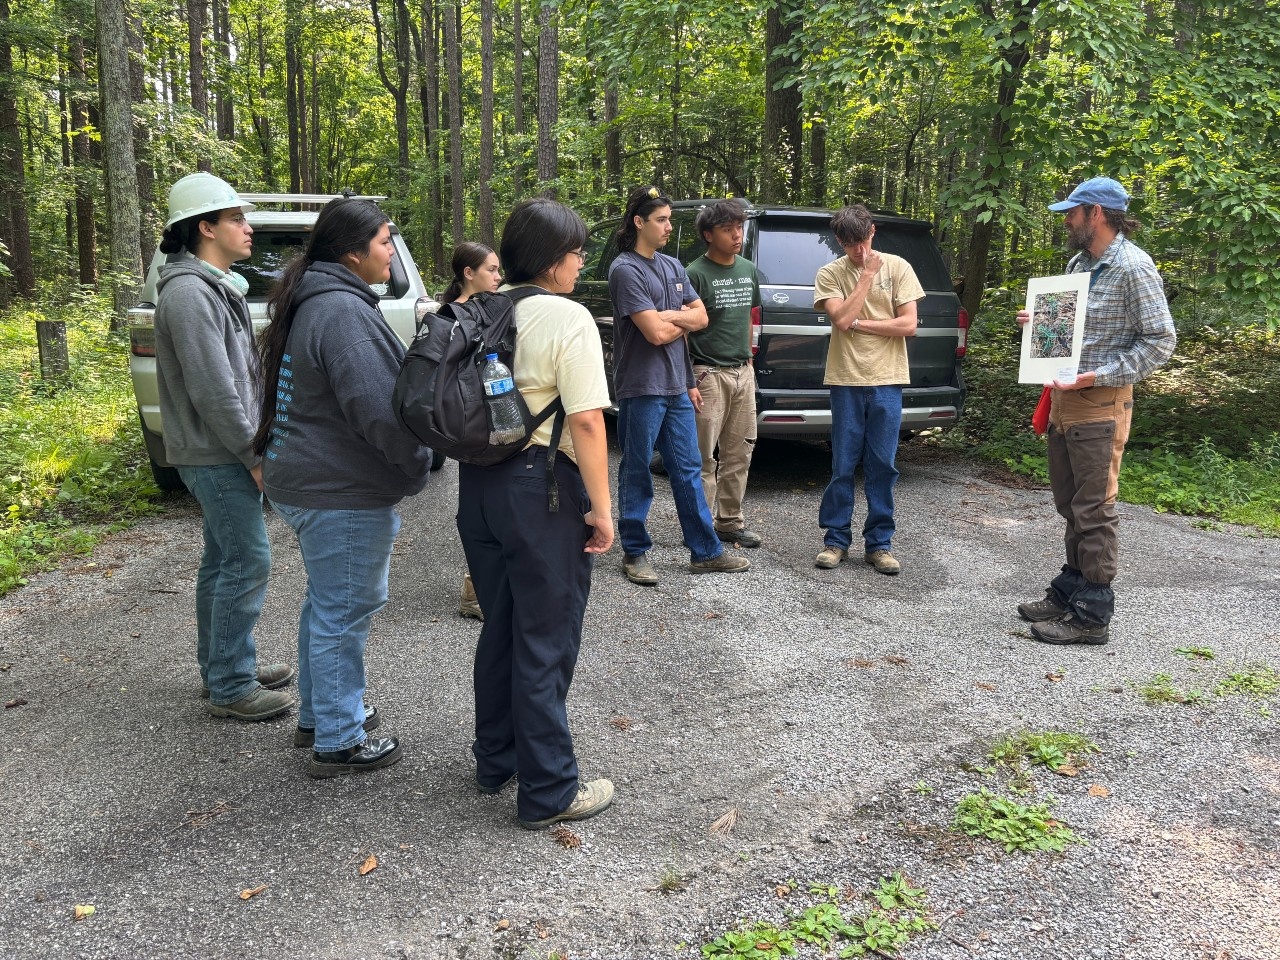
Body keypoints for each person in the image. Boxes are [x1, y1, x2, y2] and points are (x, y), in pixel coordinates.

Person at [253, 198, 432, 778]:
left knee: (328, 603)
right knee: (345, 609)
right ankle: (338, 737)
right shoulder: (343, 314)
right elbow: (380, 412)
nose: (390, 251)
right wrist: (415, 466)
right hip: (337, 490)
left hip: (303, 480)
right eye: (384, 241)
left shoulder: (320, 300)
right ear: (352, 252)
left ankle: (321, 713)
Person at [457, 197, 616, 830]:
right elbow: (585, 421)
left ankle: (497, 759)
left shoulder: (478, 309)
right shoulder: (567, 318)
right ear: (554, 260)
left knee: (501, 627)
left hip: (480, 489)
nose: (581, 263)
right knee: (545, 639)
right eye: (578, 253)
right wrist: (603, 511)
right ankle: (550, 789)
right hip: (543, 490)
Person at [153, 172, 294, 721]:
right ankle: (232, 685)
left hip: (220, 450)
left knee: (222, 560)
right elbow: (213, 389)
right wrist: (253, 456)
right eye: (236, 218)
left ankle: (222, 666)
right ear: (205, 227)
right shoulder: (190, 294)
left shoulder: (212, 286)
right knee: (247, 559)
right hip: (216, 454)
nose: (247, 227)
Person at [1016, 176, 1176, 646]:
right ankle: (1070, 588)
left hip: (1100, 403)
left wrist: (1095, 376)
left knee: (1095, 508)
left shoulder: (1133, 267)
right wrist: (1039, 321)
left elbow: (1160, 342)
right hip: (1064, 399)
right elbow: (1066, 331)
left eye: (1073, 211)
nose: (1067, 219)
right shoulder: (1080, 262)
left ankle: (1092, 612)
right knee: (1069, 502)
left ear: (1098, 214)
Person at [608, 186, 751, 586]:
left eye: (670, 219)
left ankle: (704, 552)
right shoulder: (625, 270)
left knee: (688, 469)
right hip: (641, 387)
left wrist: (687, 376)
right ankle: (636, 552)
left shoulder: (673, 267)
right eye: (662, 220)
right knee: (637, 469)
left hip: (677, 385)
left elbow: (701, 319)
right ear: (639, 222)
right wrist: (676, 318)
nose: (670, 226)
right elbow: (653, 334)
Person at [813, 204, 924, 576]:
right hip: (845, 379)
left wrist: (861, 322)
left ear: (872, 232)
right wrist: (864, 278)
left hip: (888, 379)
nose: (858, 252)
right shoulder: (830, 273)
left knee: (883, 465)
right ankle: (836, 540)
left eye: (862, 242)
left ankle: (880, 544)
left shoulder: (900, 267)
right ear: (839, 243)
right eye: (849, 245)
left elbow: (909, 325)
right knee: (842, 463)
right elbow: (840, 319)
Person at [685, 198, 763, 548]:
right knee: (704, 457)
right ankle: (700, 529)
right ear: (708, 234)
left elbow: (748, 316)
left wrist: (748, 362)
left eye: (739, 227)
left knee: (739, 452)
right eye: (728, 229)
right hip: (708, 374)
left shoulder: (747, 270)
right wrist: (688, 380)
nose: (737, 235)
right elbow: (683, 331)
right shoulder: (694, 273)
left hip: (742, 372)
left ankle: (729, 522)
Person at [440, 242, 503, 622]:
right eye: (491, 270)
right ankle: (475, 590)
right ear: (469, 272)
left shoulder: (485, 309)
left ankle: (478, 587)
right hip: (474, 426)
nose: (498, 277)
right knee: (479, 511)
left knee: (484, 508)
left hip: (491, 421)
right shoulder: (456, 317)